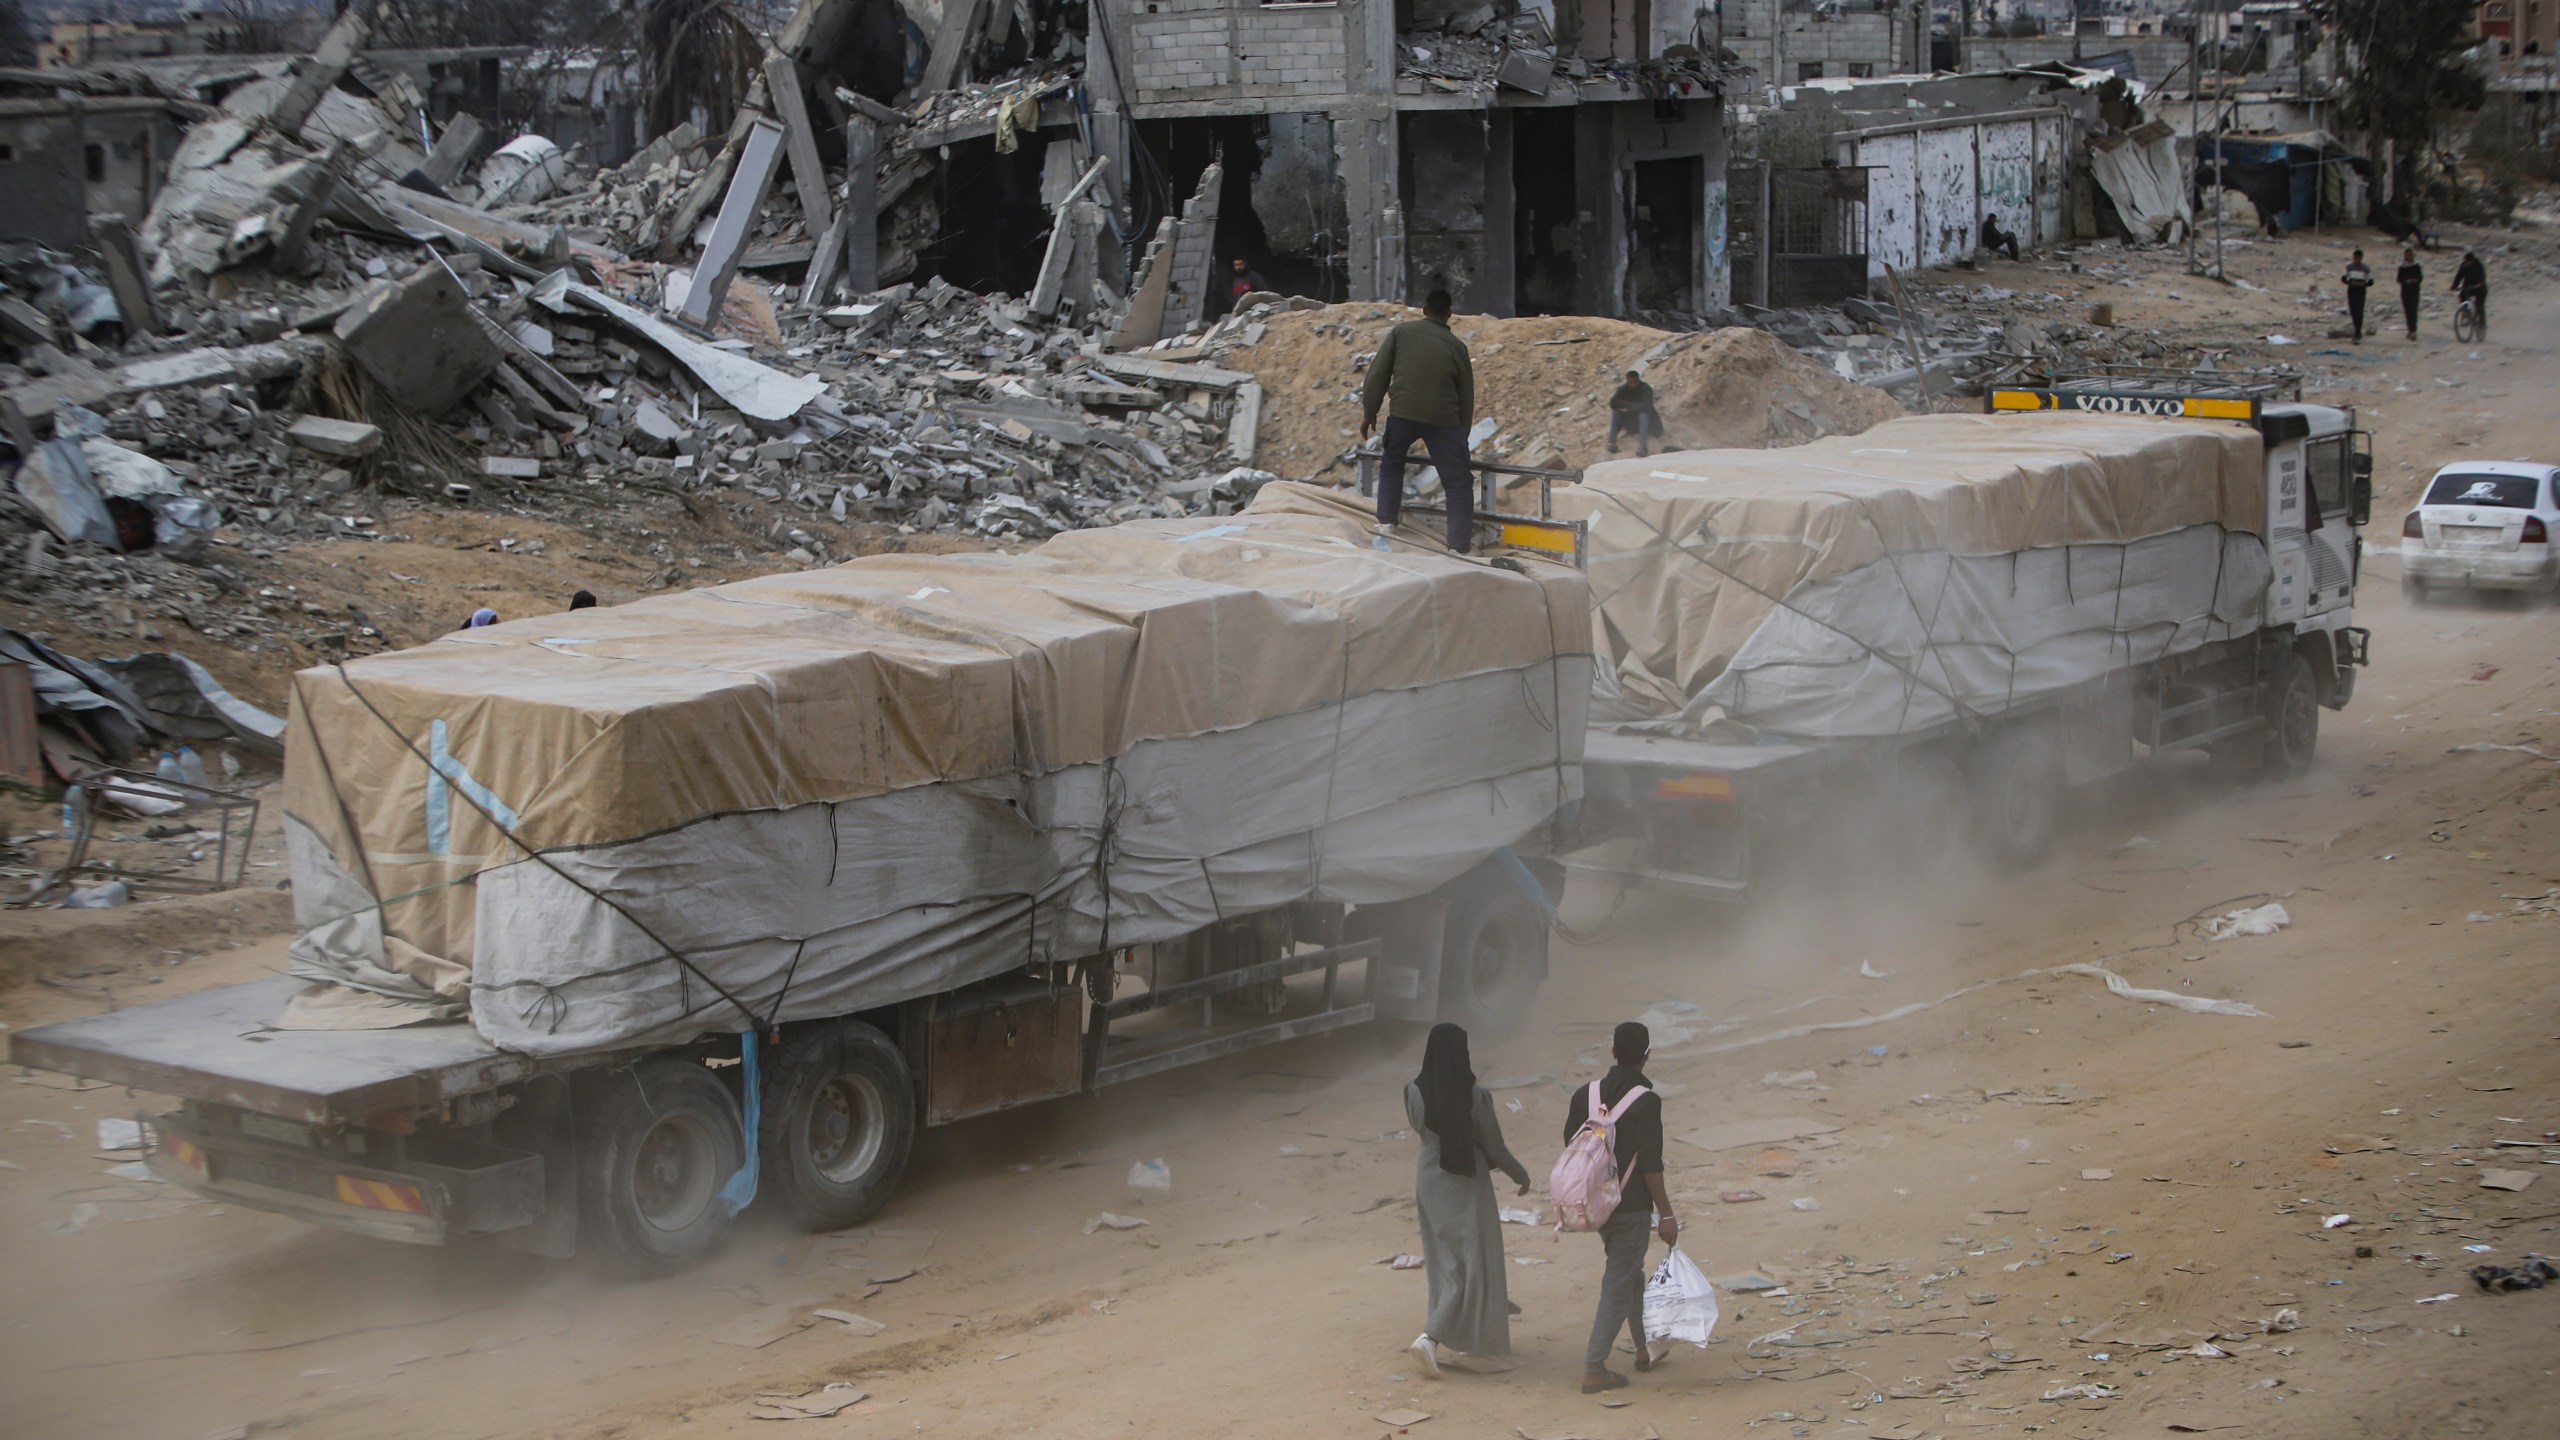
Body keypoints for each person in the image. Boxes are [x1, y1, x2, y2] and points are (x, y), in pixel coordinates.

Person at [1403, 1023, 1531, 1378]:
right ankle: (1432, 1337)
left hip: (1429, 1179)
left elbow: (1422, 1129)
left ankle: (1488, 1312)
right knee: (1473, 1261)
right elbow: (1494, 1145)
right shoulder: (1474, 1094)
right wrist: (1520, 1174)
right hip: (1466, 1183)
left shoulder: (1412, 1090)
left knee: (1445, 1262)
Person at [1563, 1020, 1677, 1394]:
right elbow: (1651, 1166)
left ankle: (1644, 1349)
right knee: (1619, 1280)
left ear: (1612, 1052)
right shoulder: (1647, 1101)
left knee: (1629, 1274)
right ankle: (1594, 1368)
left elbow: (1572, 1146)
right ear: (1647, 1056)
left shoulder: (1585, 1095)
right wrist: (1667, 1215)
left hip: (1595, 1206)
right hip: (1631, 1209)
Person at [1362, 288, 1478, 555]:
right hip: (1443, 420)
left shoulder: (1401, 332)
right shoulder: (1458, 347)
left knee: (1392, 463)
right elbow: (1466, 395)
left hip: (1403, 414)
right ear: (1449, 314)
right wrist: (1462, 435)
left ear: (1424, 310)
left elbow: (1378, 373)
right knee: (1458, 482)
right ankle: (1458, 547)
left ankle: (1387, 523)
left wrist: (1370, 411)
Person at [1608, 371, 1661, 457]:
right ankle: (1611, 443)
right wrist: (1629, 406)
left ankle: (1643, 446)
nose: (1633, 385)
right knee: (1616, 413)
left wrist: (1629, 407)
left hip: (1650, 425)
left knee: (1643, 413)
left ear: (1638, 380)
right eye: (1630, 383)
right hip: (1633, 423)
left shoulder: (1646, 389)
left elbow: (1647, 406)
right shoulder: (1623, 389)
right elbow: (1613, 403)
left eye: (1635, 382)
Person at [2452, 249, 2488, 338]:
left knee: (2479, 306)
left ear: (2472, 261)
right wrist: (2454, 286)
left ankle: (2482, 326)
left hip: (2479, 289)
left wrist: (2479, 284)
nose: (2466, 263)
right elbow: (2458, 276)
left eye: (2468, 262)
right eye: (2465, 262)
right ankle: (2466, 313)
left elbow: (2482, 278)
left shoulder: (2478, 266)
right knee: (2462, 295)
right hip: (2468, 287)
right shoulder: (2463, 266)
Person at [2340, 249, 2373, 343]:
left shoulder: (2365, 269)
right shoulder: (2349, 267)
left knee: (2359, 311)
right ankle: (2357, 329)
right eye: (2355, 258)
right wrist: (2350, 282)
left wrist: (2363, 284)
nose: (2356, 259)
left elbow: (2371, 281)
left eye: (2358, 258)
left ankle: (2357, 332)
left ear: (2361, 258)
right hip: (2352, 290)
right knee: (2353, 311)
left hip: (2361, 291)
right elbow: (2343, 279)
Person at [2396, 248, 2424, 341]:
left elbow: (2420, 278)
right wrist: (2406, 281)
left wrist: (2415, 280)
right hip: (2405, 292)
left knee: (2413, 311)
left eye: (2410, 255)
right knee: (2407, 311)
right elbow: (2399, 279)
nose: (2409, 257)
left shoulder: (2416, 266)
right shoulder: (2402, 267)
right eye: (2407, 255)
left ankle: (2413, 330)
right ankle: (2410, 330)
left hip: (2415, 291)